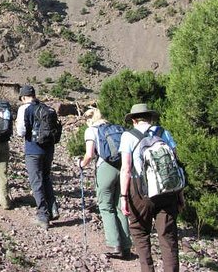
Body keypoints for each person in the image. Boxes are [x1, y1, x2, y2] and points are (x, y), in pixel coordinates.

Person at [119, 103, 184, 272]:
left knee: (140, 233)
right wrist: (180, 194)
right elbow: (175, 165)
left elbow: (126, 168)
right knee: (168, 237)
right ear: (150, 117)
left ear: (133, 120)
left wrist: (123, 197)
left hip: (140, 192)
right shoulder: (164, 133)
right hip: (167, 190)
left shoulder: (128, 136)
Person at [79, 107, 132, 258]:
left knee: (105, 206)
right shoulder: (116, 128)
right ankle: (127, 246)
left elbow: (89, 154)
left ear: (89, 119)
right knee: (120, 205)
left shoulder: (91, 130)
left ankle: (114, 244)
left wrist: (81, 164)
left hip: (105, 168)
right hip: (122, 167)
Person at [16, 84, 58, 230]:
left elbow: (21, 131)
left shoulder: (24, 109)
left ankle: (42, 215)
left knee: (36, 182)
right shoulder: (47, 108)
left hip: (33, 150)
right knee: (46, 177)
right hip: (49, 149)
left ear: (23, 97)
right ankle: (53, 208)